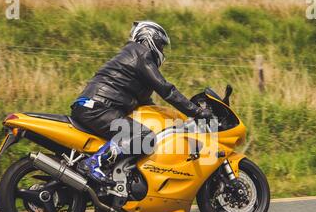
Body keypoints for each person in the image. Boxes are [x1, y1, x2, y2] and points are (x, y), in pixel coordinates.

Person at [71, 21, 212, 186]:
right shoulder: (140, 53)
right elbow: (167, 91)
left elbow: (148, 105)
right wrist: (196, 112)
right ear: (149, 38)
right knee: (144, 137)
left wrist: (177, 119)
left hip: (95, 106)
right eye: (161, 44)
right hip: (99, 107)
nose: (162, 50)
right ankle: (93, 164)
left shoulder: (134, 64)